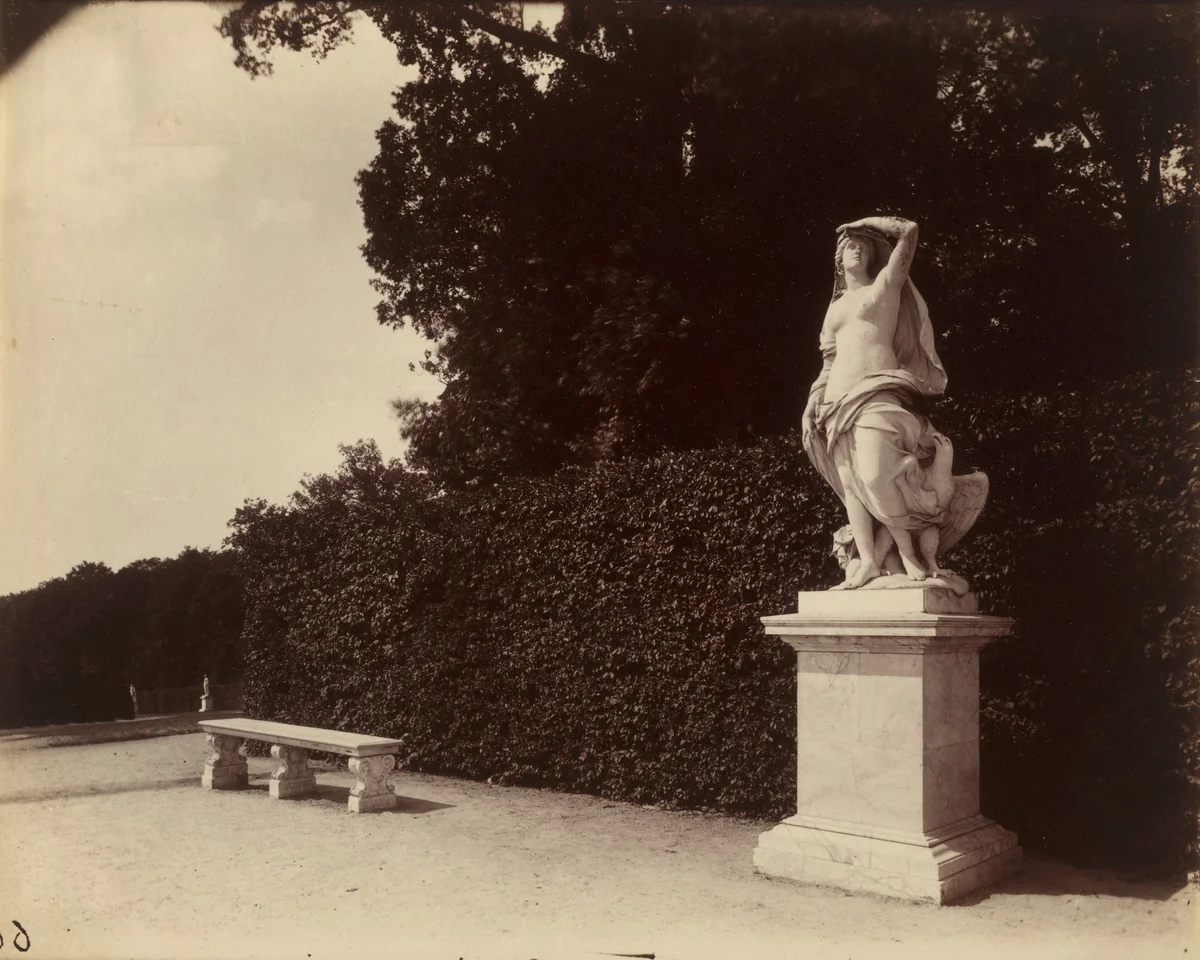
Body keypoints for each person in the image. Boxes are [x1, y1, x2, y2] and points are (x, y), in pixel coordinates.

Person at [801, 215, 949, 589]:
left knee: (877, 477)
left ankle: (909, 555)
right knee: (853, 486)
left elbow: (910, 232)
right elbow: (829, 362)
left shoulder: (883, 288)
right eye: (850, 245)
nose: (857, 248)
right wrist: (810, 404)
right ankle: (868, 561)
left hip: (877, 393)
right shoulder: (834, 309)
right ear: (838, 259)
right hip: (835, 403)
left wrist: (864, 223)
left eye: (864, 246)